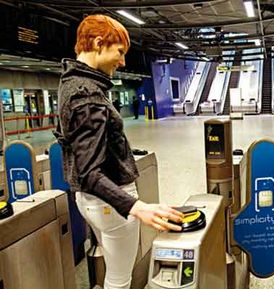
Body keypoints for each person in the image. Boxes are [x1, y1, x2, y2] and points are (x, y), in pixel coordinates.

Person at [55, 14, 183, 289]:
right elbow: (89, 173)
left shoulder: (70, 82)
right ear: (98, 43)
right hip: (110, 204)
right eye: (120, 52)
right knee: (119, 279)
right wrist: (137, 207)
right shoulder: (86, 96)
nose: (123, 61)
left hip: (90, 202)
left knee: (114, 271)